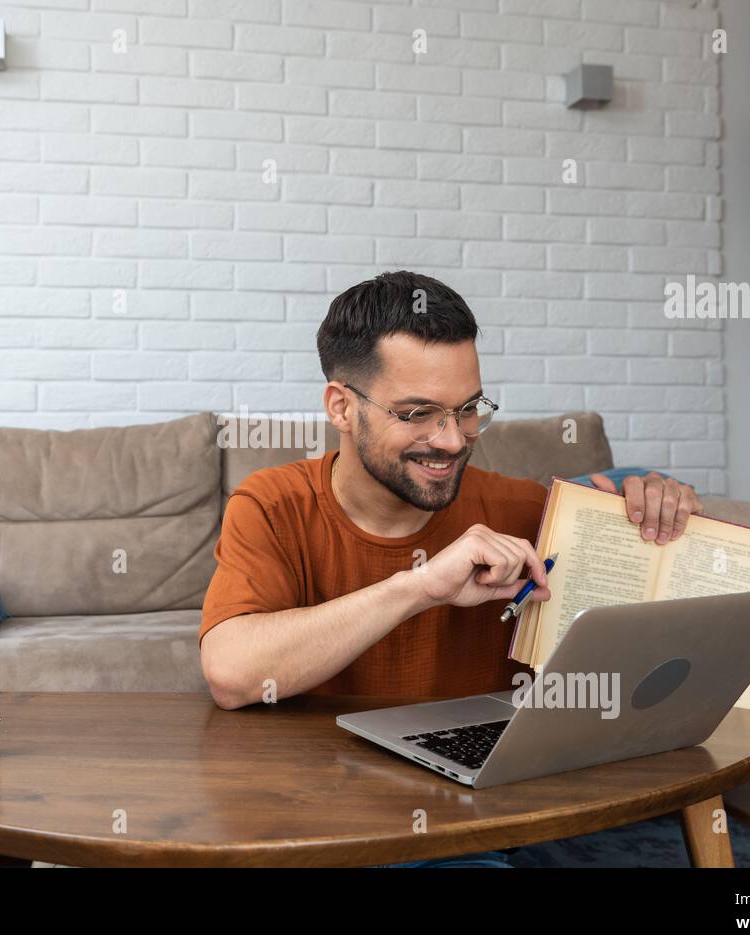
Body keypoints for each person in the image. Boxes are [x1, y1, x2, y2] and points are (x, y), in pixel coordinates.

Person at [199, 271, 703, 867]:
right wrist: (420, 587)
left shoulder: (523, 510)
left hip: (486, 809)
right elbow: (233, 674)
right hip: (334, 815)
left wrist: (658, 503)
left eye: (468, 410)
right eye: (418, 413)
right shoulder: (273, 504)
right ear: (340, 406)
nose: (451, 440)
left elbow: (645, 604)